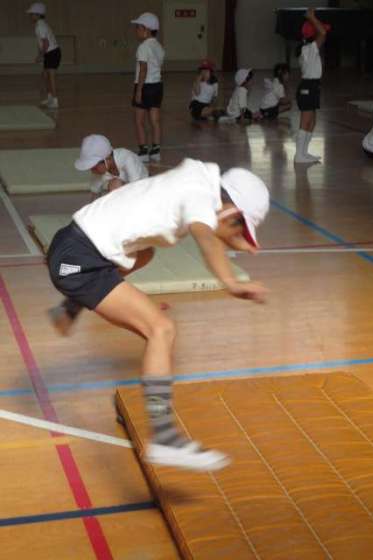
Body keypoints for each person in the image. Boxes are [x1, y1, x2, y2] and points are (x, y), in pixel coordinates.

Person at [47, 158, 270, 471]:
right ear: (230, 212)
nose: (235, 233)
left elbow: (215, 224)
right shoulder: (198, 197)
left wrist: (234, 237)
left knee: (146, 253)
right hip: (77, 262)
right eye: (238, 226)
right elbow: (207, 237)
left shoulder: (198, 178)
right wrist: (231, 283)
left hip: (74, 246)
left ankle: (71, 306)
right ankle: (164, 438)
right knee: (161, 329)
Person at [294, 9, 331, 164]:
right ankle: (299, 155)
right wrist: (312, 17)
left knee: (312, 121)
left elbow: (322, 32)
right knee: (305, 121)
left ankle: (304, 152)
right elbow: (323, 33)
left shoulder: (309, 49)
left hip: (312, 87)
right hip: (307, 87)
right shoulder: (309, 48)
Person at [131, 13, 165, 163]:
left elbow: (143, 69)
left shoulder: (143, 47)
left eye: (138, 27)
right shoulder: (159, 46)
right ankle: (156, 151)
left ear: (146, 29)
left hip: (145, 86)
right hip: (157, 86)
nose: (136, 30)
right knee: (155, 121)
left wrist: (139, 90)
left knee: (139, 121)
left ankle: (143, 151)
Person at [75, 135, 149, 200]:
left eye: (94, 168)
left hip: (143, 186)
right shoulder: (98, 171)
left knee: (116, 185)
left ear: (107, 159)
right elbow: (95, 194)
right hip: (125, 186)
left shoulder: (127, 158)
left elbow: (136, 188)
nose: (92, 171)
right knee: (114, 185)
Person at [27, 2, 61, 109]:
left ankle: (55, 101)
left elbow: (46, 43)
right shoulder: (40, 24)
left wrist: (41, 56)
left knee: (51, 77)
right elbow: (42, 43)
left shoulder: (40, 26)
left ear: (38, 14)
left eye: (32, 14)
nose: (30, 16)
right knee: (45, 75)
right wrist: (41, 54)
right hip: (49, 52)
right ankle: (50, 98)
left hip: (52, 52)